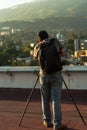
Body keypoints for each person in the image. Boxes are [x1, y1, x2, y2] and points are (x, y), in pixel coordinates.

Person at [33, 30, 67, 130]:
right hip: (56, 74)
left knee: (45, 99)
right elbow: (62, 54)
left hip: (43, 75)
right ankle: (57, 125)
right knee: (55, 100)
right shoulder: (54, 41)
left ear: (39, 38)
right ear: (48, 35)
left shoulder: (37, 46)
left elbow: (35, 57)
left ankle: (47, 121)